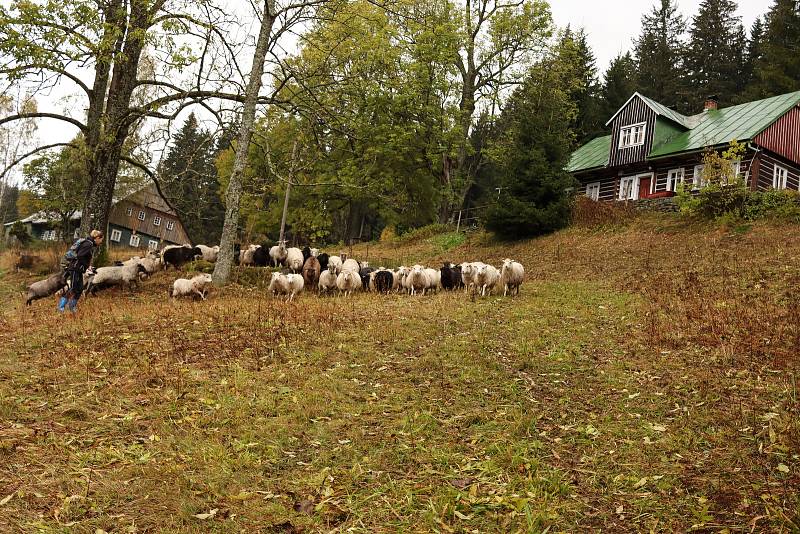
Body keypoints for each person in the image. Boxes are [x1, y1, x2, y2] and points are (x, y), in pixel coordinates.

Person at [58, 229, 103, 312]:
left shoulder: (89, 243)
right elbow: (80, 256)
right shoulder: (88, 244)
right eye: (101, 240)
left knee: (80, 288)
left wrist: (87, 266)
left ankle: (72, 307)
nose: (101, 242)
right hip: (75, 268)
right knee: (74, 288)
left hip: (79, 269)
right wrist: (87, 265)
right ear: (97, 238)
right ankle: (61, 307)